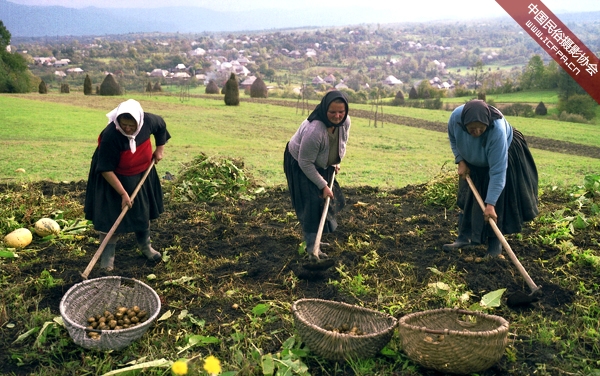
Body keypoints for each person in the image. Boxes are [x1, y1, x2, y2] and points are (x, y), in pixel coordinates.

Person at [443, 99, 538, 256]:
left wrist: (490, 204)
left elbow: (498, 172)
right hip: (472, 159)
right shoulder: (456, 118)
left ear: (487, 124)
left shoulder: (497, 131)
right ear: (464, 124)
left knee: (497, 202)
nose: (477, 131)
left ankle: (495, 247)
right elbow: (453, 138)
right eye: (472, 128)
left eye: (481, 128)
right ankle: (464, 238)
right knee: (470, 197)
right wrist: (460, 160)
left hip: (503, 154)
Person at [84, 99, 171, 271]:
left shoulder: (148, 121)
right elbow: (106, 169)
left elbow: (161, 126)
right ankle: (107, 260)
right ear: (118, 121)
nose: (128, 129)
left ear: (139, 121)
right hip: (113, 177)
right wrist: (123, 193)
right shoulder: (111, 135)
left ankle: (145, 247)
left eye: (132, 126)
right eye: (124, 124)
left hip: (141, 173)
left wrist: (159, 150)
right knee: (111, 217)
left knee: (142, 211)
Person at [284, 91, 351, 261]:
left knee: (324, 202)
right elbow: (305, 162)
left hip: (322, 161)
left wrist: (336, 160)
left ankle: (316, 241)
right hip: (300, 162)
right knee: (312, 202)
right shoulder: (315, 130)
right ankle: (312, 248)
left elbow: (340, 143)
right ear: (324, 110)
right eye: (332, 112)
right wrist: (323, 185)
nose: (337, 116)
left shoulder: (345, 122)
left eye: (341, 112)